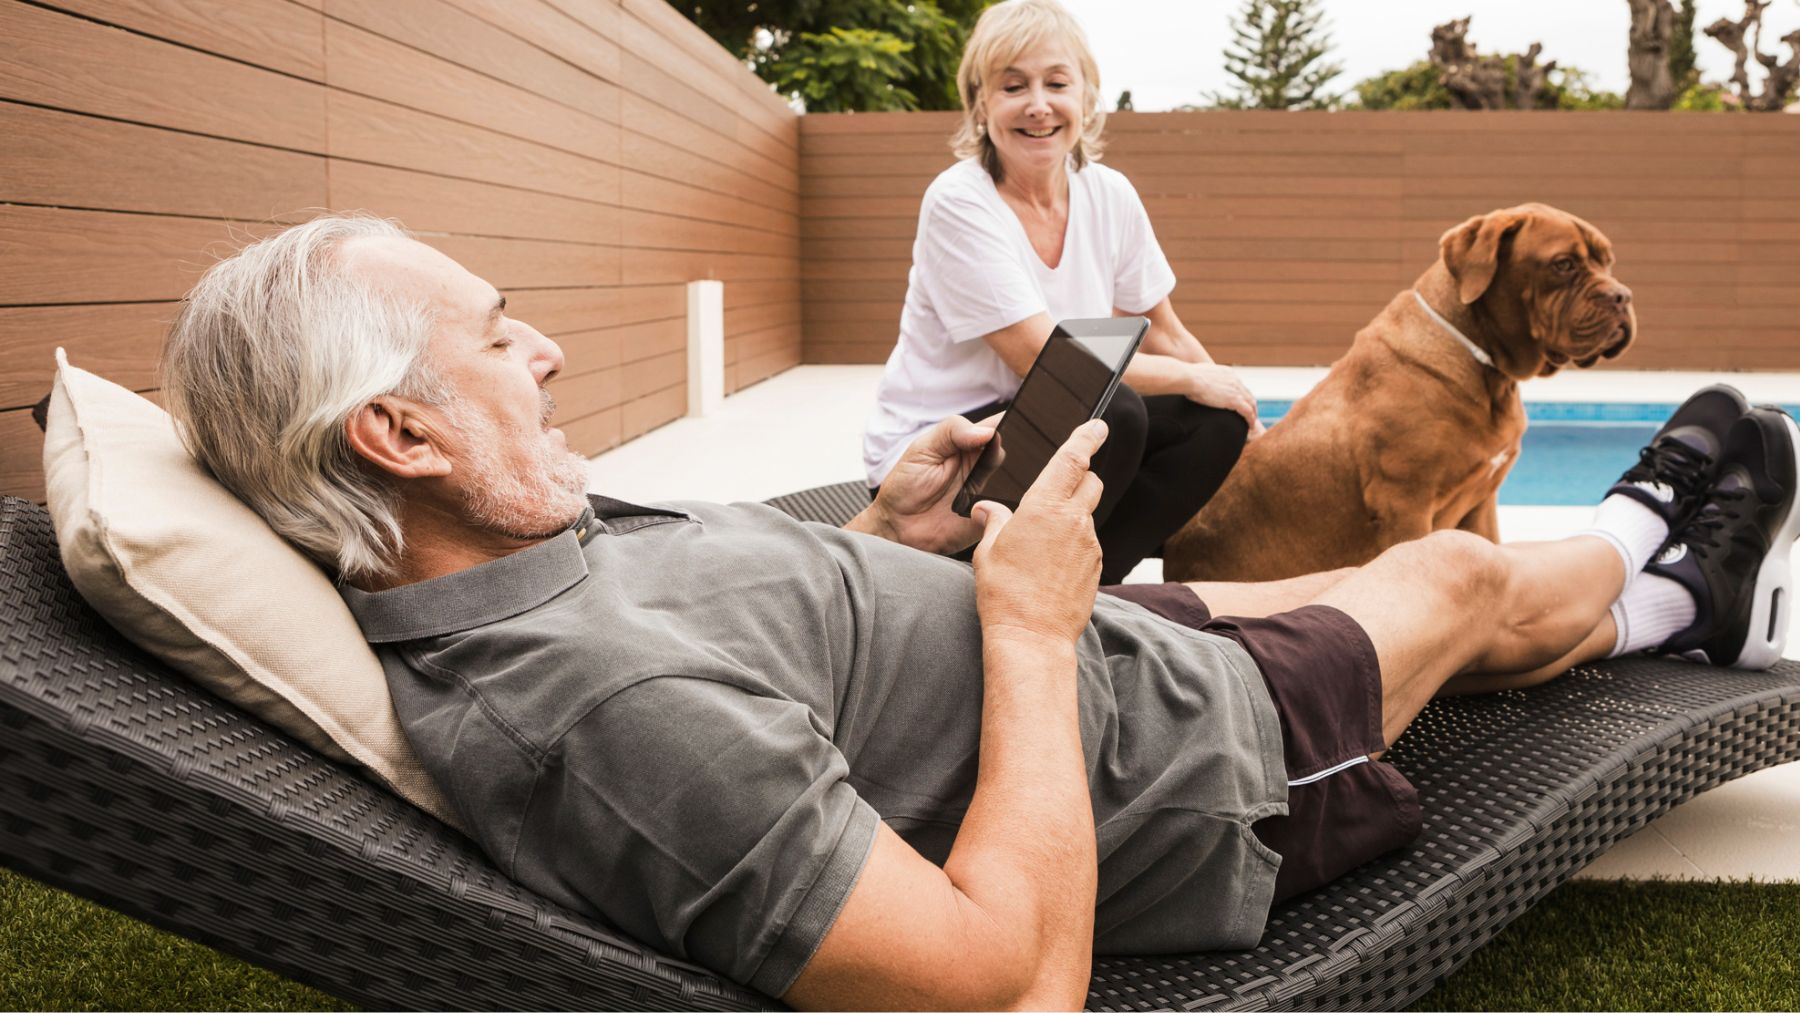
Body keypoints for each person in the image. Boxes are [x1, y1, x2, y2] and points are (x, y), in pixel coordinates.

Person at [161, 215, 1800, 1012]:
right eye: (501, 340)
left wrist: (895, 535)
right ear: (400, 437)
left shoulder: (535, 550)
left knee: (1436, 581)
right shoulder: (599, 717)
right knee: (1446, 575)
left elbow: (786, 649)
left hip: (1095, 660)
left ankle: (1661, 577)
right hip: (1193, 763)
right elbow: (1008, 988)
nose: (551, 358)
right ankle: (1668, 559)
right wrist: (1023, 623)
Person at [862, 0, 1261, 584]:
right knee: (1111, 410)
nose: (1039, 105)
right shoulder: (959, 201)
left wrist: (1232, 397)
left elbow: (1168, 331)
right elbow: (1040, 357)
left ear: (1087, 98)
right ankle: (1008, 585)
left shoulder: (1111, 194)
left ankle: (1095, 592)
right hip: (939, 454)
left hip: (1048, 422)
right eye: (1013, 86)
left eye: (1057, 83)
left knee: (1211, 422)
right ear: (980, 104)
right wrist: (1194, 378)